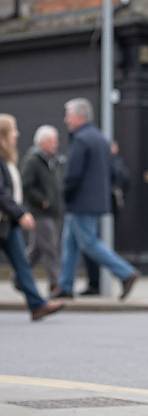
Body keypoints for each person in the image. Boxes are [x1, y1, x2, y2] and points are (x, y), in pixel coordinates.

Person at [52, 98, 139, 300]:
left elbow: (73, 175)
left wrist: (64, 194)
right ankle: (65, 286)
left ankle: (126, 273)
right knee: (70, 243)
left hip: (80, 201)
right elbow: (111, 171)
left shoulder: (81, 139)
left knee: (89, 243)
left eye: (68, 115)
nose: (66, 120)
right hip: (95, 200)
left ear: (78, 116)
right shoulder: (100, 138)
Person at [0, 114, 64, 321]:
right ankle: (46, 294)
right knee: (43, 251)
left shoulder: (8, 159)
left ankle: (37, 305)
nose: (17, 134)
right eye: (14, 130)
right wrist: (21, 213)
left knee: (23, 263)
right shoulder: (26, 160)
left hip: (8, 220)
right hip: (9, 217)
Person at [80, 141, 131, 297]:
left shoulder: (113, 162)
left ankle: (122, 275)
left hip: (104, 210)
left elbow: (122, 179)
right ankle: (89, 283)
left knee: (92, 244)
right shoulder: (107, 162)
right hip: (100, 209)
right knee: (88, 244)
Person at [21, 125, 63, 294]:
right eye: (52, 141)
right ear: (42, 142)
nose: (56, 144)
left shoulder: (52, 160)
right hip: (40, 213)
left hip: (51, 212)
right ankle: (55, 284)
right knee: (50, 248)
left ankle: (19, 277)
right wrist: (42, 201)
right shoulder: (33, 160)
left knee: (37, 250)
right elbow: (27, 185)